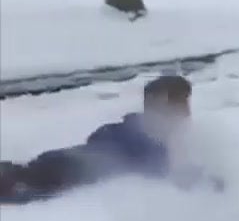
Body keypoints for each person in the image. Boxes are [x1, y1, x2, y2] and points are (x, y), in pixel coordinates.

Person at [0, 74, 220, 204]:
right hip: (72, 167)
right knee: (27, 181)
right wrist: (204, 181)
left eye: (185, 101)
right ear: (161, 103)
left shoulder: (151, 131)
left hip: (71, 162)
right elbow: (160, 172)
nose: (186, 109)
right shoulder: (149, 134)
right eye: (179, 102)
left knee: (26, 176)